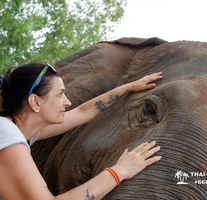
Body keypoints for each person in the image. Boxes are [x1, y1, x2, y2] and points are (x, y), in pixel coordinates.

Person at [0, 63, 163, 200]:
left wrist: (128, 88)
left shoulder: (19, 130)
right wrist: (120, 171)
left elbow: (83, 112)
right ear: (35, 101)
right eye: (60, 94)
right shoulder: (7, 134)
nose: (68, 102)